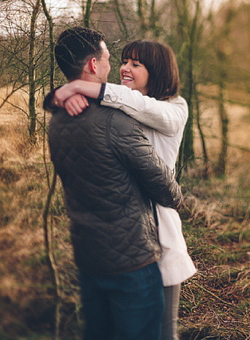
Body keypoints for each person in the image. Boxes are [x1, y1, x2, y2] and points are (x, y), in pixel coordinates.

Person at [50, 39, 196, 340]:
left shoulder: (175, 108)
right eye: (124, 61)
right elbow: (113, 102)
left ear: (156, 71)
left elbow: (140, 105)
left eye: (135, 64)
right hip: (126, 237)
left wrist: (76, 87)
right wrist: (57, 96)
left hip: (160, 232)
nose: (125, 68)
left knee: (163, 332)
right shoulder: (116, 103)